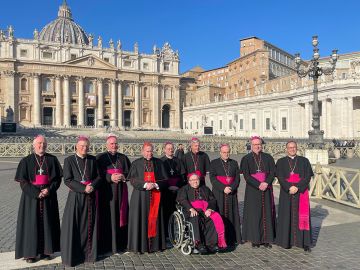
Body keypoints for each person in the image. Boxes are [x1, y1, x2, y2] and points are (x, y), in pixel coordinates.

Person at [14, 135, 62, 263]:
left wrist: (49, 190)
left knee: (48, 223)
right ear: (34, 145)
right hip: (31, 198)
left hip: (48, 197)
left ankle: (46, 251)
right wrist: (36, 193)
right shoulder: (26, 161)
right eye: (40, 143)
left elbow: (57, 179)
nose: (42, 146)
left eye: (44, 144)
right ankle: (30, 253)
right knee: (31, 224)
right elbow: (23, 182)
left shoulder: (52, 159)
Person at [60, 136, 102, 267]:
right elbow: (67, 179)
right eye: (82, 146)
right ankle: (75, 255)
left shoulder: (92, 159)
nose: (85, 148)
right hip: (76, 197)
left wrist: (93, 186)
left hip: (91, 196)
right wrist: (84, 188)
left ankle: (89, 254)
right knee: (75, 226)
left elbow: (99, 176)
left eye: (86, 146)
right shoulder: (69, 160)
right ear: (76, 147)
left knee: (89, 225)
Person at [127, 142, 169, 253]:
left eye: (151, 151)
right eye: (147, 151)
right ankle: (140, 246)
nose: (149, 153)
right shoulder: (136, 163)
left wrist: (155, 184)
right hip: (140, 197)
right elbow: (132, 180)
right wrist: (145, 185)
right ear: (142, 151)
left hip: (156, 195)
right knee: (140, 220)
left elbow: (166, 180)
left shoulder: (159, 163)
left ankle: (155, 245)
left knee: (155, 220)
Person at [275, 141, 313, 252]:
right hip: (287, 193)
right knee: (286, 216)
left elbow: (307, 177)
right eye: (290, 147)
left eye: (294, 147)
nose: (292, 149)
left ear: (297, 148)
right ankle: (286, 241)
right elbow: (280, 177)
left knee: (302, 216)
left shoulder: (304, 161)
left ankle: (304, 242)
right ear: (286, 149)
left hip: (300, 193)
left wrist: (297, 187)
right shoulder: (281, 162)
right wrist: (289, 187)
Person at [96, 134, 131, 254]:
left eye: (115, 143)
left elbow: (130, 173)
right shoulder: (100, 158)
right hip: (107, 193)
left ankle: (121, 244)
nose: (114, 146)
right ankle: (107, 246)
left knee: (121, 216)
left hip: (121, 192)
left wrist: (123, 176)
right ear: (107, 145)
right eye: (111, 144)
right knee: (107, 218)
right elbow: (97, 175)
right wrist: (110, 177)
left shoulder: (123, 157)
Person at [177, 173, 227, 254]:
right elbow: (182, 200)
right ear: (189, 181)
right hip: (191, 211)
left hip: (204, 211)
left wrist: (209, 209)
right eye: (192, 180)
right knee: (195, 217)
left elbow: (212, 200)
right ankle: (198, 243)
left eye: (196, 180)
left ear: (199, 180)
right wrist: (191, 208)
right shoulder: (184, 189)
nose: (195, 182)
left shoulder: (205, 188)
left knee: (214, 217)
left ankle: (212, 244)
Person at [240, 135, 276, 248]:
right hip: (253, 189)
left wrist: (266, 183)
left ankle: (266, 239)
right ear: (251, 146)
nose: (257, 146)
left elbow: (272, 173)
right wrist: (258, 184)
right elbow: (246, 175)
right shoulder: (246, 159)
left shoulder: (268, 157)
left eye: (259, 144)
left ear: (262, 145)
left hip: (266, 188)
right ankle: (255, 239)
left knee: (266, 213)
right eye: (255, 144)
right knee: (254, 214)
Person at [210, 144, 242, 247]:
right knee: (220, 214)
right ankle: (220, 238)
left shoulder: (234, 163)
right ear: (220, 152)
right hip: (219, 193)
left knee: (232, 215)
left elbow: (237, 178)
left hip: (231, 193)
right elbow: (213, 178)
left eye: (228, 152)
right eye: (224, 152)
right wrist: (223, 188)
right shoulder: (214, 163)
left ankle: (232, 238)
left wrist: (231, 187)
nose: (226, 154)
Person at [160, 142, 186, 239]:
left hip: (177, 191)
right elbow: (160, 178)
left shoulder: (178, 161)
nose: (170, 150)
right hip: (165, 191)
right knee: (166, 212)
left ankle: (177, 232)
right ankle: (166, 235)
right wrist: (168, 186)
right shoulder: (161, 161)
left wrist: (178, 187)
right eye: (168, 148)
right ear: (164, 150)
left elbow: (182, 176)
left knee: (178, 211)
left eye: (172, 148)